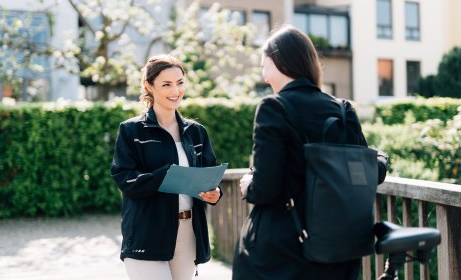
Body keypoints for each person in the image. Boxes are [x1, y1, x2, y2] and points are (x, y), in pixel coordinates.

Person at [232, 25, 389, 280]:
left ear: (281, 61)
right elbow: (370, 171)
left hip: (283, 252)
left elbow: (266, 188)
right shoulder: (342, 110)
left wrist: (249, 185)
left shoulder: (273, 107)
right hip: (337, 250)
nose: (264, 76)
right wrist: (380, 157)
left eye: (264, 66)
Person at [111, 54, 222, 280]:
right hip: (147, 233)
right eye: (167, 84)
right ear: (149, 86)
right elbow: (125, 179)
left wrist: (214, 193)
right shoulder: (131, 131)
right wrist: (166, 175)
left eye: (180, 83)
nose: (176, 91)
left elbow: (210, 176)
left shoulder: (196, 131)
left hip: (188, 233)